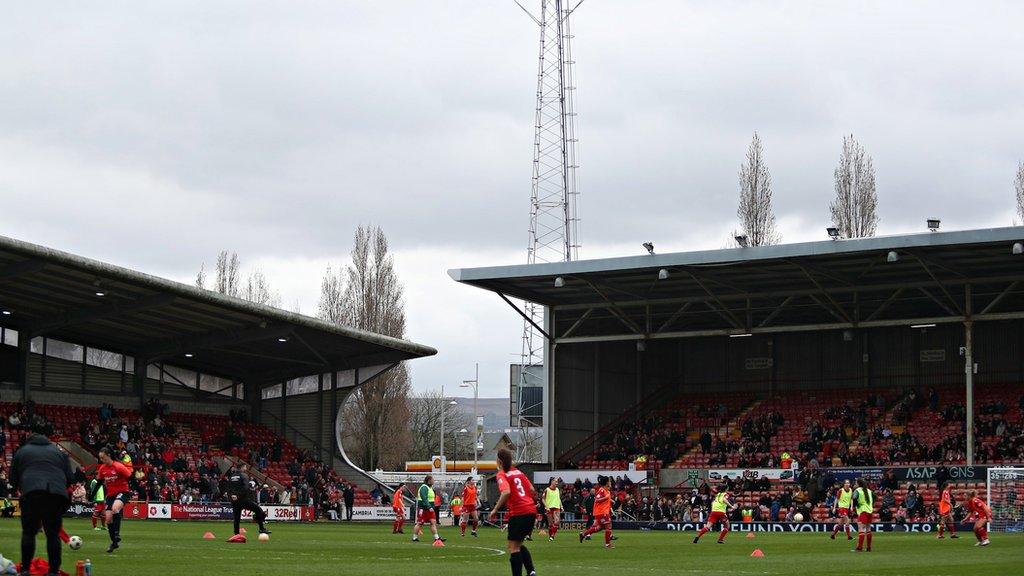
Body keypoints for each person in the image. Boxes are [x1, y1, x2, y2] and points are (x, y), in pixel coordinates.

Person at [10, 433, 74, 575]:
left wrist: (22, 486)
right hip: (55, 495)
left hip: (31, 493)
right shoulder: (59, 452)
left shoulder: (22, 451)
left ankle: (25, 569)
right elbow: (70, 478)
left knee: (28, 533)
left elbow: (12, 479)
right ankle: (53, 571)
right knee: (53, 534)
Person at [488, 448, 538, 576]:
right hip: (531, 510)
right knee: (518, 544)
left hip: (519, 512)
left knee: (513, 547)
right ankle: (531, 571)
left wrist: (495, 509)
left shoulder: (502, 474)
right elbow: (532, 490)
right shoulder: (519, 472)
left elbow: (506, 492)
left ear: (499, 460)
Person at [93, 446, 133, 553]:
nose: (102, 460)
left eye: (103, 458)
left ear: (108, 455)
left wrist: (136, 491)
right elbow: (99, 483)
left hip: (123, 492)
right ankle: (114, 542)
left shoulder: (118, 466)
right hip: (111, 495)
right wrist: (92, 495)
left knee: (115, 509)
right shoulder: (102, 469)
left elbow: (130, 478)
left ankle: (117, 534)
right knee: (108, 519)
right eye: (100, 458)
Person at [227, 464, 270, 537]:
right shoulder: (244, 475)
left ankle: (236, 534)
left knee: (236, 518)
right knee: (258, 510)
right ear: (242, 467)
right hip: (243, 499)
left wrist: (232, 496)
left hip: (234, 500)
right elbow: (245, 488)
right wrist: (239, 495)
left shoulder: (231, 476)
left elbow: (228, 488)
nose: (246, 468)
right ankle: (261, 528)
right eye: (245, 467)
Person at [579, 475, 614, 548]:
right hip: (601, 512)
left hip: (604, 512)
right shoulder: (601, 490)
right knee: (608, 526)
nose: (610, 482)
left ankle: (583, 534)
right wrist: (605, 498)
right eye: (609, 481)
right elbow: (597, 500)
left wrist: (610, 501)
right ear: (607, 482)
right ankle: (608, 545)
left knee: (599, 528)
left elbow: (606, 500)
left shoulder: (607, 491)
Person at [412, 475, 444, 543]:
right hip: (423, 508)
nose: (434, 481)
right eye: (433, 480)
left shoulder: (430, 488)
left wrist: (432, 506)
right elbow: (424, 498)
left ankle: (437, 538)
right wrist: (429, 507)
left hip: (430, 508)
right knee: (420, 523)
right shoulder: (424, 487)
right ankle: (414, 537)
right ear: (429, 480)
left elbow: (431, 498)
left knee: (433, 522)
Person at [852, 477, 874, 552]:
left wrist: (856, 505)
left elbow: (854, 498)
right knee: (868, 529)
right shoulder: (869, 491)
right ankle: (868, 548)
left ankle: (859, 548)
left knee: (861, 529)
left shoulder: (857, 490)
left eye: (855, 483)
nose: (855, 484)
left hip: (863, 511)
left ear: (858, 484)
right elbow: (875, 498)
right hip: (869, 511)